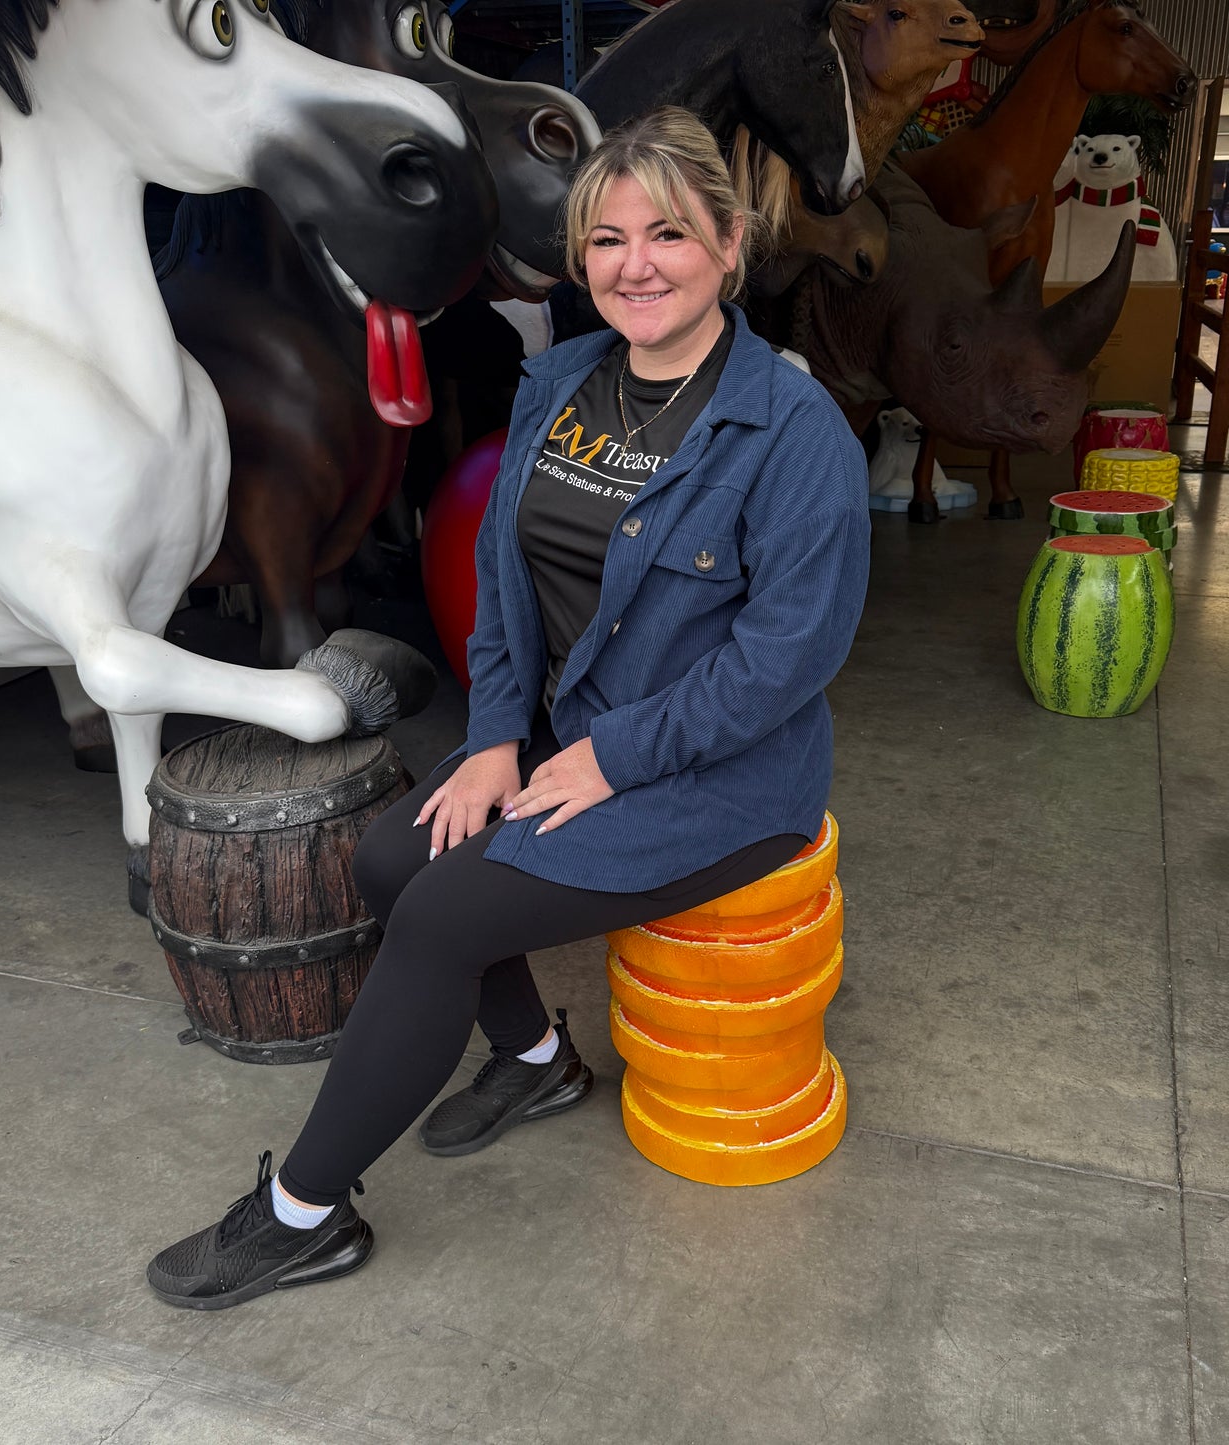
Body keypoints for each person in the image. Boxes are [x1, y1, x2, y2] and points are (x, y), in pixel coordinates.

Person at [145, 106, 872, 1311]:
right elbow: (501, 586)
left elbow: (786, 658)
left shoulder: (792, 433)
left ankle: (302, 1213)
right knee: (392, 858)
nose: (635, 265)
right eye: (606, 239)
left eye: (667, 234)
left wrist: (611, 758)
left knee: (440, 915)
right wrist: (492, 741)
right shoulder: (562, 383)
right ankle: (536, 1059)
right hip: (566, 728)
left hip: (720, 773)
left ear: (728, 243)